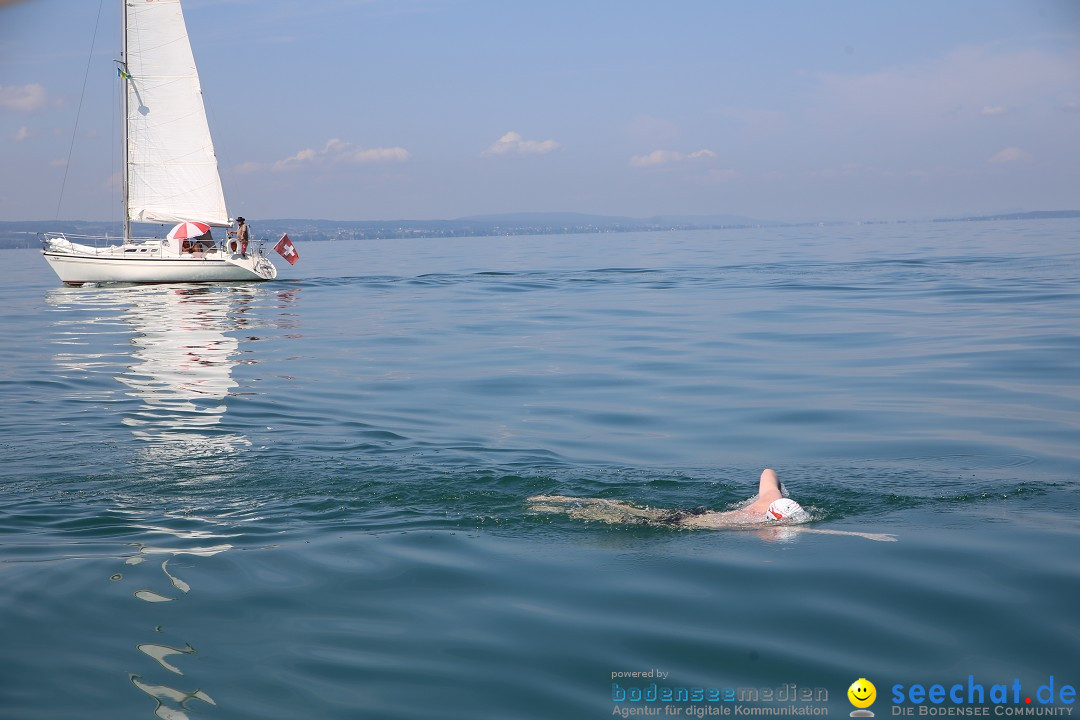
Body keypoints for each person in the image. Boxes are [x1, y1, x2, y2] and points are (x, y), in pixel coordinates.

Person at [528, 468, 896, 541]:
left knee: (629, 509)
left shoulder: (769, 497)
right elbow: (827, 530)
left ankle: (556, 500)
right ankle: (555, 504)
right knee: (625, 520)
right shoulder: (753, 526)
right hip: (690, 523)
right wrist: (865, 534)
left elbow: (769, 470)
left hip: (700, 512)